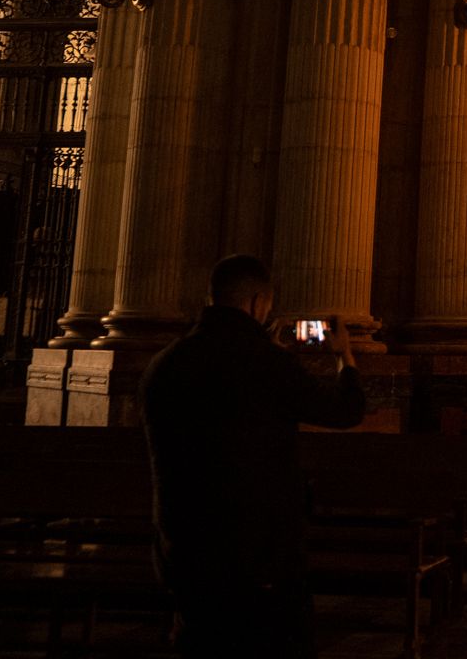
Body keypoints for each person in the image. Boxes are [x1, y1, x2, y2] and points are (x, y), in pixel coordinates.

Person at [140, 253, 364, 658]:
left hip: (184, 553)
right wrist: (343, 356)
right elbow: (346, 411)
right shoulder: (267, 364)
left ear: (211, 297)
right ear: (259, 303)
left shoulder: (164, 364)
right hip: (258, 560)